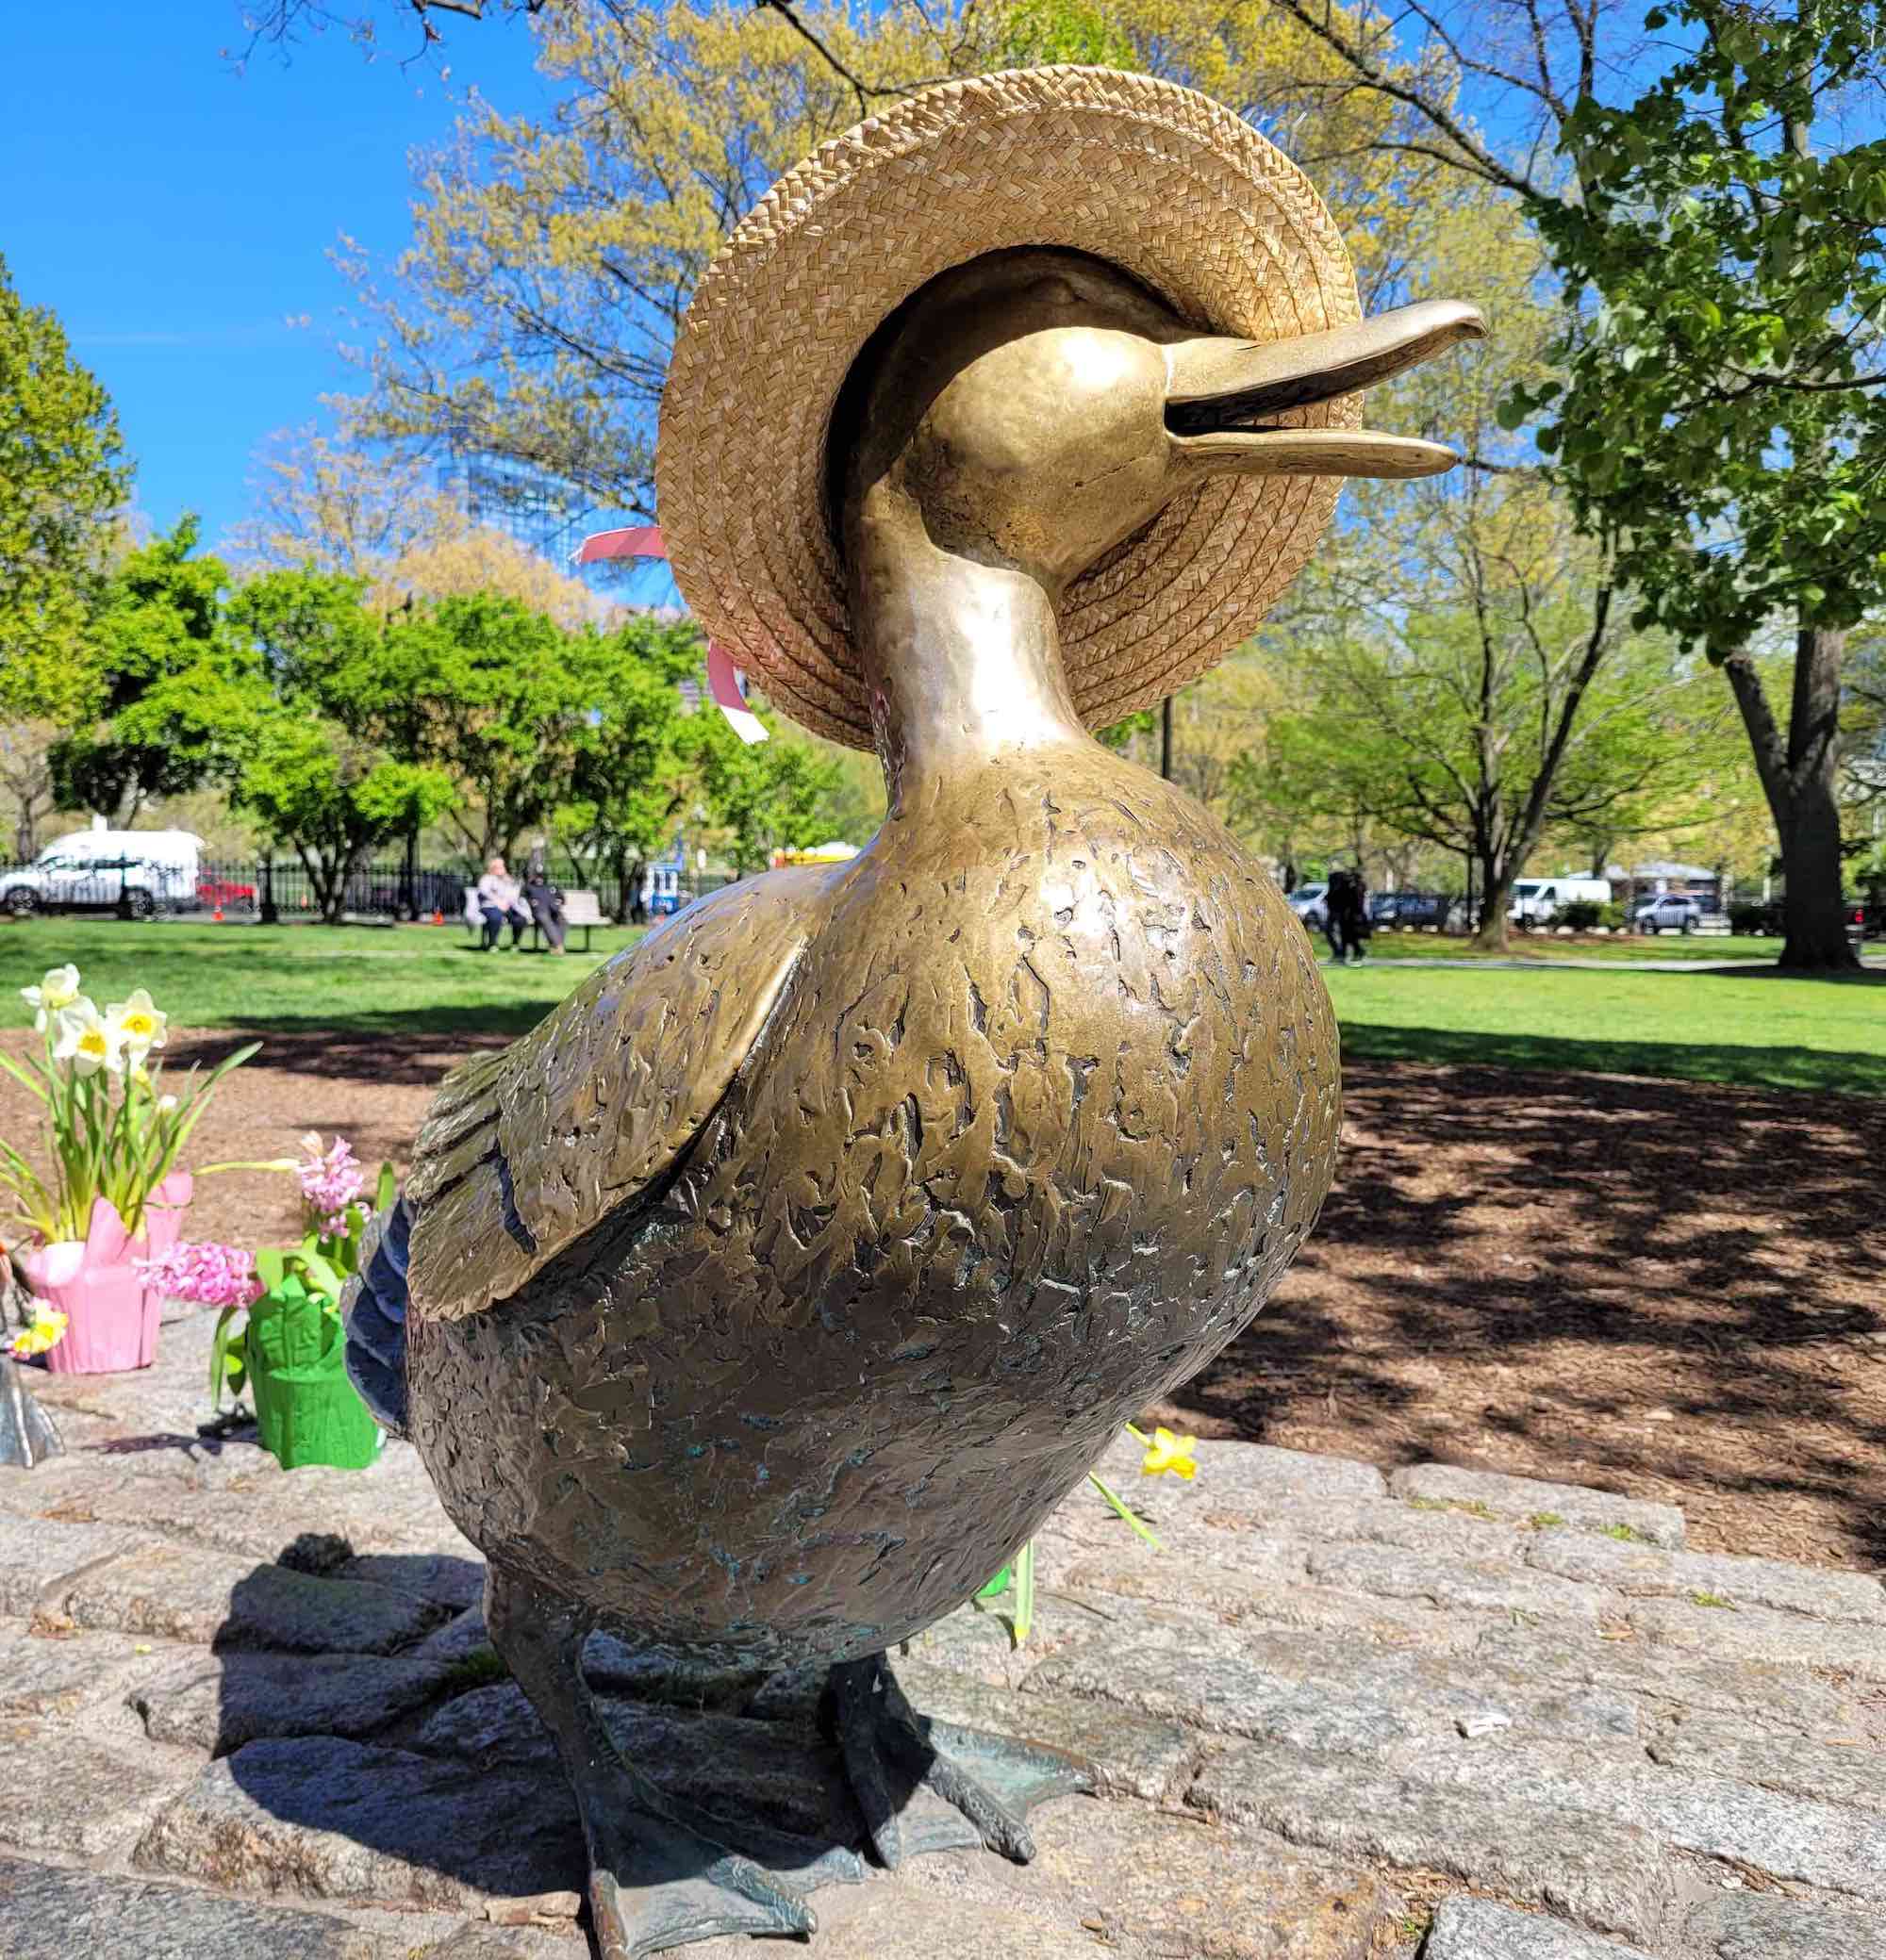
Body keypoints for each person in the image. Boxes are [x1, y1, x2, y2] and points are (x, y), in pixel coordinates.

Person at [474, 856, 531, 951]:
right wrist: (498, 901)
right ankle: (493, 943)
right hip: (489, 906)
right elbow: (484, 891)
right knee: (496, 917)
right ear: (492, 868)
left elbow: (514, 895)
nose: (502, 868)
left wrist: (509, 884)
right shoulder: (486, 878)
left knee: (520, 919)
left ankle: (515, 943)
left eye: (502, 866)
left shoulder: (508, 880)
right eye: (499, 866)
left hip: (508, 906)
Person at [523, 869, 568, 955]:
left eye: (541, 876)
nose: (539, 878)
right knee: (546, 920)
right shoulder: (528, 887)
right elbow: (522, 899)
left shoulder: (550, 887)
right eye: (537, 876)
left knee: (563, 921)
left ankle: (554, 946)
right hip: (539, 912)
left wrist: (559, 901)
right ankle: (558, 945)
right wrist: (530, 902)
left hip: (553, 911)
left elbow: (562, 898)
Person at [1336, 866, 1371, 964]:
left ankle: (1356, 952)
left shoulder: (1357, 887)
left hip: (1353, 915)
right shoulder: (1354, 886)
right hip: (1350, 915)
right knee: (1348, 936)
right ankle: (1351, 953)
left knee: (1350, 936)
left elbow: (1356, 901)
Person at [1322, 868, 1350, 963]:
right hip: (1335, 911)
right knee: (1332, 931)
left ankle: (1340, 953)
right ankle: (1339, 953)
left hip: (1338, 911)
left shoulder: (1340, 886)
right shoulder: (1338, 885)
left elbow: (1335, 894)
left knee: (1338, 932)